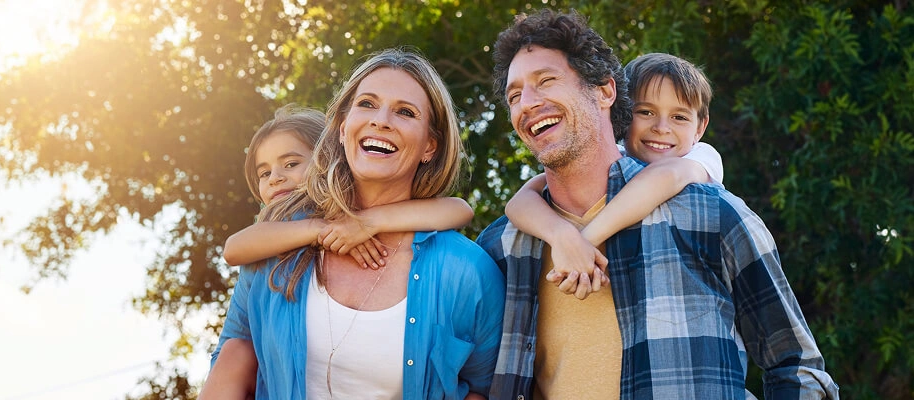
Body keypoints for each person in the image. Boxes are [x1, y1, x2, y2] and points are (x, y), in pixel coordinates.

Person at [474, 9, 839, 399]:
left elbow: (797, 368)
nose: (527, 102)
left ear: (604, 91)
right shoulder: (500, 248)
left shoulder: (710, 214)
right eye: (515, 95)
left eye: (546, 81)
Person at [215, 48, 505, 399]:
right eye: (367, 104)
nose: (381, 120)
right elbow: (234, 352)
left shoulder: (467, 272)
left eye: (405, 111)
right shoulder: (278, 248)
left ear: (430, 146)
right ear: (340, 127)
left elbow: (485, 388)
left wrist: (367, 222)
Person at [504, 52, 725, 300]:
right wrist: (562, 236)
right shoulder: (613, 158)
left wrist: (585, 242)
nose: (662, 128)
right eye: (646, 112)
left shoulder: (700, 158)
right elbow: (520, 202)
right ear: (623, 111)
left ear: (700, 127)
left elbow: (663, 178)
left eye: (679, 117)